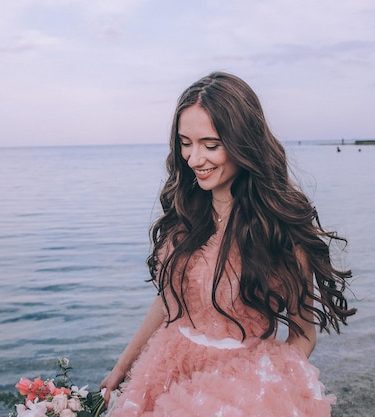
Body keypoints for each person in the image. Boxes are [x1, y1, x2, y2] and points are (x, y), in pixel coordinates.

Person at [99, 72, 355, 416]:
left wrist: (264, 392)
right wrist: (123, 366)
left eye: (210, 144)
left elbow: (303, 333)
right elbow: (168, 302)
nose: (193, 159)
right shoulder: (186, 211)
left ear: (243, 142)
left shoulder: (280, 230)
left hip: (239, 388)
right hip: (164, 370)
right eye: (185, 143)